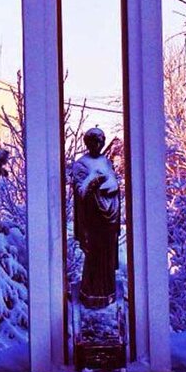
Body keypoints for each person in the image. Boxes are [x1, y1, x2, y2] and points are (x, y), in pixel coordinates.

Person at [72, 127, 121, 309]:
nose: (98, 145)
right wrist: (94, 181)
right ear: (87, 143)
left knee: (107, 259)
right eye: (94, 141)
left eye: (101, 141)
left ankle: (107, 293)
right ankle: (91, 294)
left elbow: (114, 185)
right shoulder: (81, 165)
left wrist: (112, 188)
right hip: (92, 222)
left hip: (108, 222)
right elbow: (81, 192)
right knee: (93, 259)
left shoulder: (106, 162)